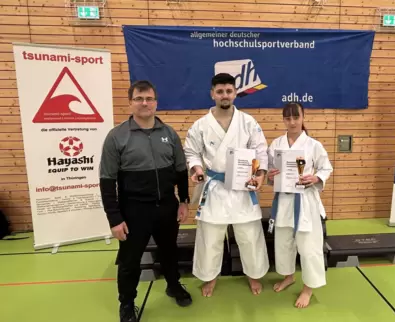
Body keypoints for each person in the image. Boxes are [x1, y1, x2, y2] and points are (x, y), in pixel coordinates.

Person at [99, 80, 192, 322]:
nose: (144, 103)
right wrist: (114, 218)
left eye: (149, 99)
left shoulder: (169, 134)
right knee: (130, 261)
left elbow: (181, 171)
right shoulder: (116, 137)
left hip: (166, 207)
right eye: (139, 98)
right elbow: (107, 181)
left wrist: (183, 200)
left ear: (156, 102)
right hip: (134, 211)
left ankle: (173, 285)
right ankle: (127, 304)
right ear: (130, 102)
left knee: (170, 252)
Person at [183, 73, 269, 297]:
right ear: (212, 93)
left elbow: (260, 150)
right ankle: (210, 277)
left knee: (249, 236)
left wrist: (260, 175)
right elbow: (191, 152)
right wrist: (197, 169)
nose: (224, 95)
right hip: (214, 187)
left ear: (235, 93)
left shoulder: (248, 122)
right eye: (220, 91)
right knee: (210, 237)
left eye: (229, 91)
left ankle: (254, 275)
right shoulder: (200, 125)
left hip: (243, 186)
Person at [266, 102, 333, 309]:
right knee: (284, 242)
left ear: (303, 117)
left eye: (296, 117)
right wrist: (269, 176)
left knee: (308, 245)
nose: (292, 122)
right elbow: (269, 172)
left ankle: (308, 288)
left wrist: (316, 178)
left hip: (305, 202)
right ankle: (289, 276)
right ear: (283, 119)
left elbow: (326, 167)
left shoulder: (313, 145)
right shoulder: (276, 144)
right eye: (288, 118)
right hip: (283, 200)